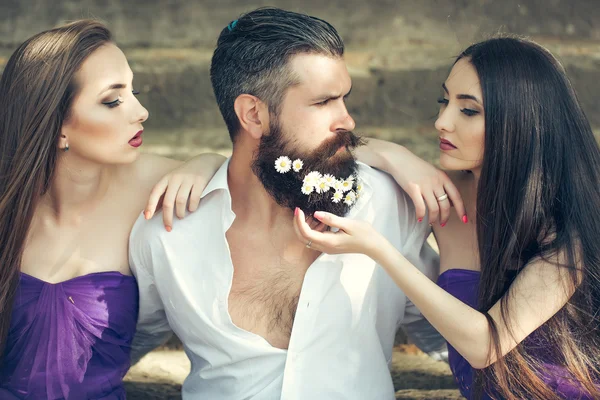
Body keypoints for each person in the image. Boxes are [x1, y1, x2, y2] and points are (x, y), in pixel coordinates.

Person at [129, 7, 449, 400]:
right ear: (253, 114)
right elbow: (117, 349)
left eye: (344, 98)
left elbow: (449, 338)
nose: (346, 120)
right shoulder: (168, 231)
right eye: (323, 102)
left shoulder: (389, 205)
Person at [294, 36, 600, 399]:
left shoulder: (569, 229)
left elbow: (485, 345)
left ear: (521, 122)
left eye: (468, 110)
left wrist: (379, 250)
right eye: (445, 101)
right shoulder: (447, 197)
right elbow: (328, 148)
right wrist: (397, 155)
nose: (442, 121)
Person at [0, 20, 224, 399]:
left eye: (133, 91)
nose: (142, 112)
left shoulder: (149, 182)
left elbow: (238, 179)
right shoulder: (9, 203)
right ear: (57, 129)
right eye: (112, 100)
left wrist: (205, 162)